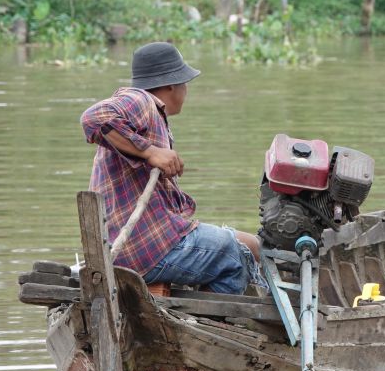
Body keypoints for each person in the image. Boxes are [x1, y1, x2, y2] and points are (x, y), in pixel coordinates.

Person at [80, 42, 266, 294]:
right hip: (141, 247)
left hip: (139, 243)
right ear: (171, 84)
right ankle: (214, 324)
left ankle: (201, 314)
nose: (186, 91)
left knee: (251, 244)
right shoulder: (140, 100)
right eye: (184, 83)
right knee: (234, 254)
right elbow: (93, 117)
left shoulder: (150, 116)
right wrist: (151, 152)